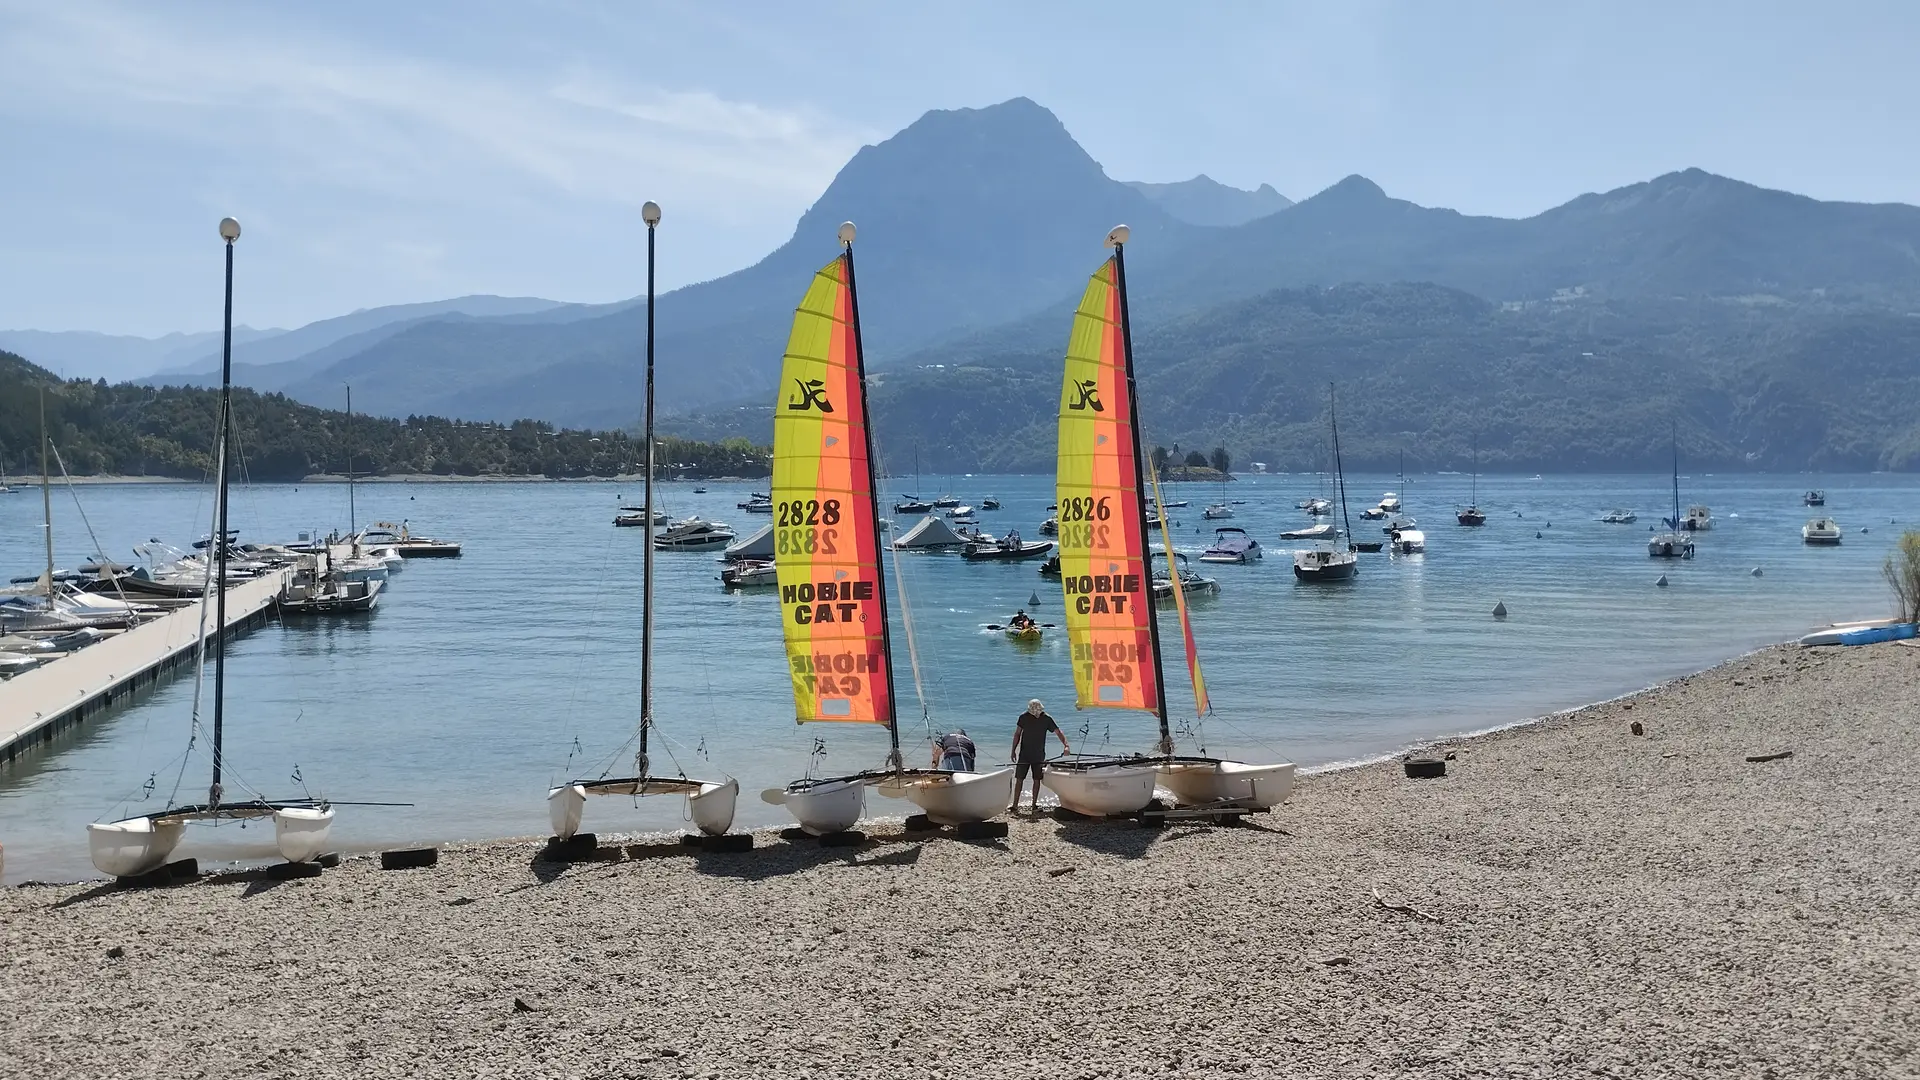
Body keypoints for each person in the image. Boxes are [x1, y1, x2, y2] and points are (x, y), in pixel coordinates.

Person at [1009, 698, 1069, 812]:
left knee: (1036, 779)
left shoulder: (1047, 718)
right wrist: (1013, 750)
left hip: (1039, 754)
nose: (1036, 714)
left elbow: (1058, 732)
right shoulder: (1023, 717)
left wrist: (1066, 745)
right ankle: (1015, 805)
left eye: (1038, 711)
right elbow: (1017, 734)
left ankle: (1034, 805)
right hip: (1024, 754)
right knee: (1019, 779)